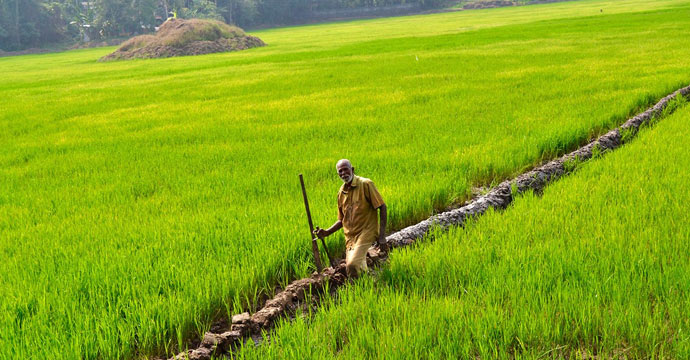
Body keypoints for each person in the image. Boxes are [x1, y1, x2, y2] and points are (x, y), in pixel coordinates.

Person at [314, 159, 387, 277]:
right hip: (350, 238)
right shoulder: (341, 193)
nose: (343, 173)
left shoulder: (365, 184)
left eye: (345, 169)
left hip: (366, 232)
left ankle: (359, 288)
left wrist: (382, 236)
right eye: (340, 171)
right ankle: (367, 286)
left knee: (352, 265)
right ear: (338, 174)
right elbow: (342, 220)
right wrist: (327, 232)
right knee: (355, 269)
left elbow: (382, 207)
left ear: (352, 169)